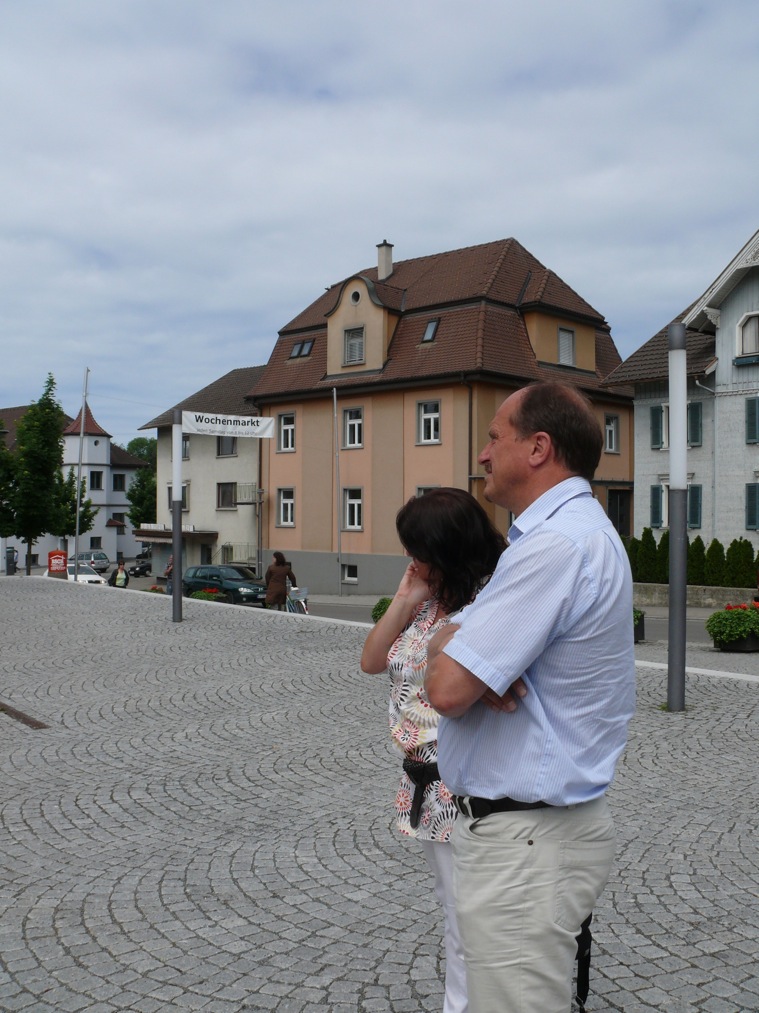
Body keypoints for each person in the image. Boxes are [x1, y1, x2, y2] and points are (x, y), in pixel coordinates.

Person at [425, 382, 637, 1013]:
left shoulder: (553, 546)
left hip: (527, 843)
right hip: (532, 836)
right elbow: (453, 655)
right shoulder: (563, 535)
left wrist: (457, 657)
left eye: (495, 437)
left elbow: (446, 688)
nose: (483, 454)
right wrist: (453, 645)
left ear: (539, 448)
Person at [362, 488, 506, 1013]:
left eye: (417, 549)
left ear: (446, 549)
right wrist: (404, 598)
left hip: (460, 778)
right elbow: (372, 661)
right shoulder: (428, 601)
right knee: (455, 907)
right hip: (421, 777)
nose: (410, 558)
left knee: (468, 914)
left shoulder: (487, 604)